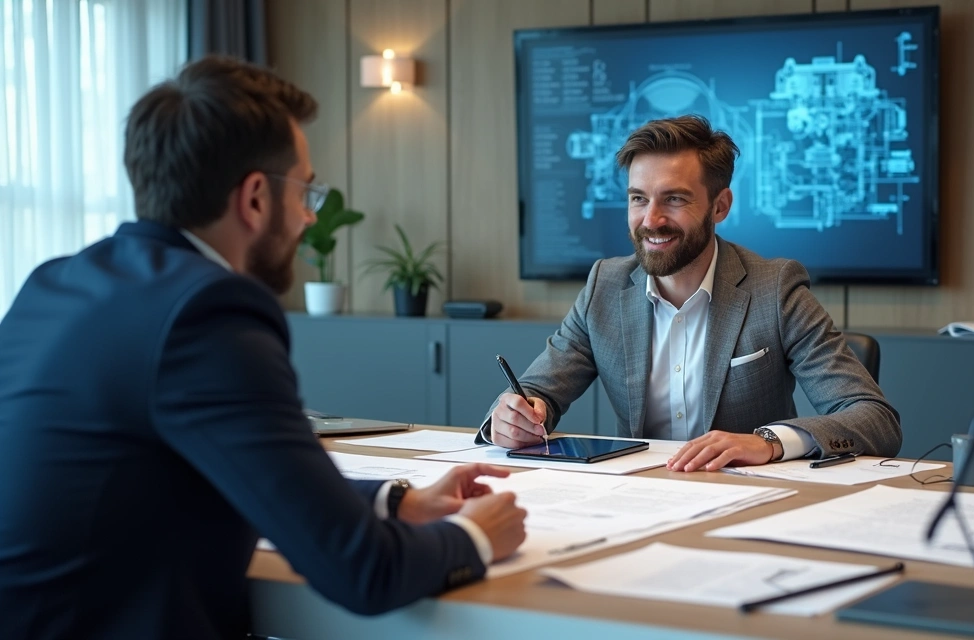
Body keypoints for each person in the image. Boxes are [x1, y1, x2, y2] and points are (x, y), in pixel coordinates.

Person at [0, 56, 526, 639]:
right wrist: (476, 535)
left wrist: (396, 501)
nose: (308, 217)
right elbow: (363, 571)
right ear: (254, 198)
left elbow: (233, 476)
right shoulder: (207, 312)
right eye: (306, 192)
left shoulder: (53, 283)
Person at [481, 115, 901, 471]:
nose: (651, 220)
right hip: (639, 498)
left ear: (720, 206)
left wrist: (769, 442)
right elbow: (535, 392)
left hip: (748, 500)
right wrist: (515, 416)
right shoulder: (604, 286)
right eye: (638, 199)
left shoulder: (775, 289)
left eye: (674, 199)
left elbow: (875, 419)